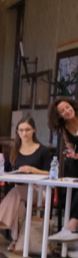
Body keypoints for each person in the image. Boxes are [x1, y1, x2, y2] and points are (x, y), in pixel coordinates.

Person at [0, 116, 50, 250]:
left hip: (39, 191)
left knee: (15, 193)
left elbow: (50, 173)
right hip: (19, 191)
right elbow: (2, 170)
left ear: (34, 130)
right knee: (19, 203)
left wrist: (32, 170)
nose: (24, 133)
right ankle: (16, 242)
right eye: (21, 130)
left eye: (27, 130)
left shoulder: (43, 151)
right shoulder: (14, 151)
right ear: (17, 131)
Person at [47, 97, 78, 243]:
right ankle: (71, 230)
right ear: (59, 116)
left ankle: (70, 228)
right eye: (62, 111)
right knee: (69, 186)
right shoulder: (64, 128)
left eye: (67, 107)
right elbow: (70, 147)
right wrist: (71, 153)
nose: (67, 111)